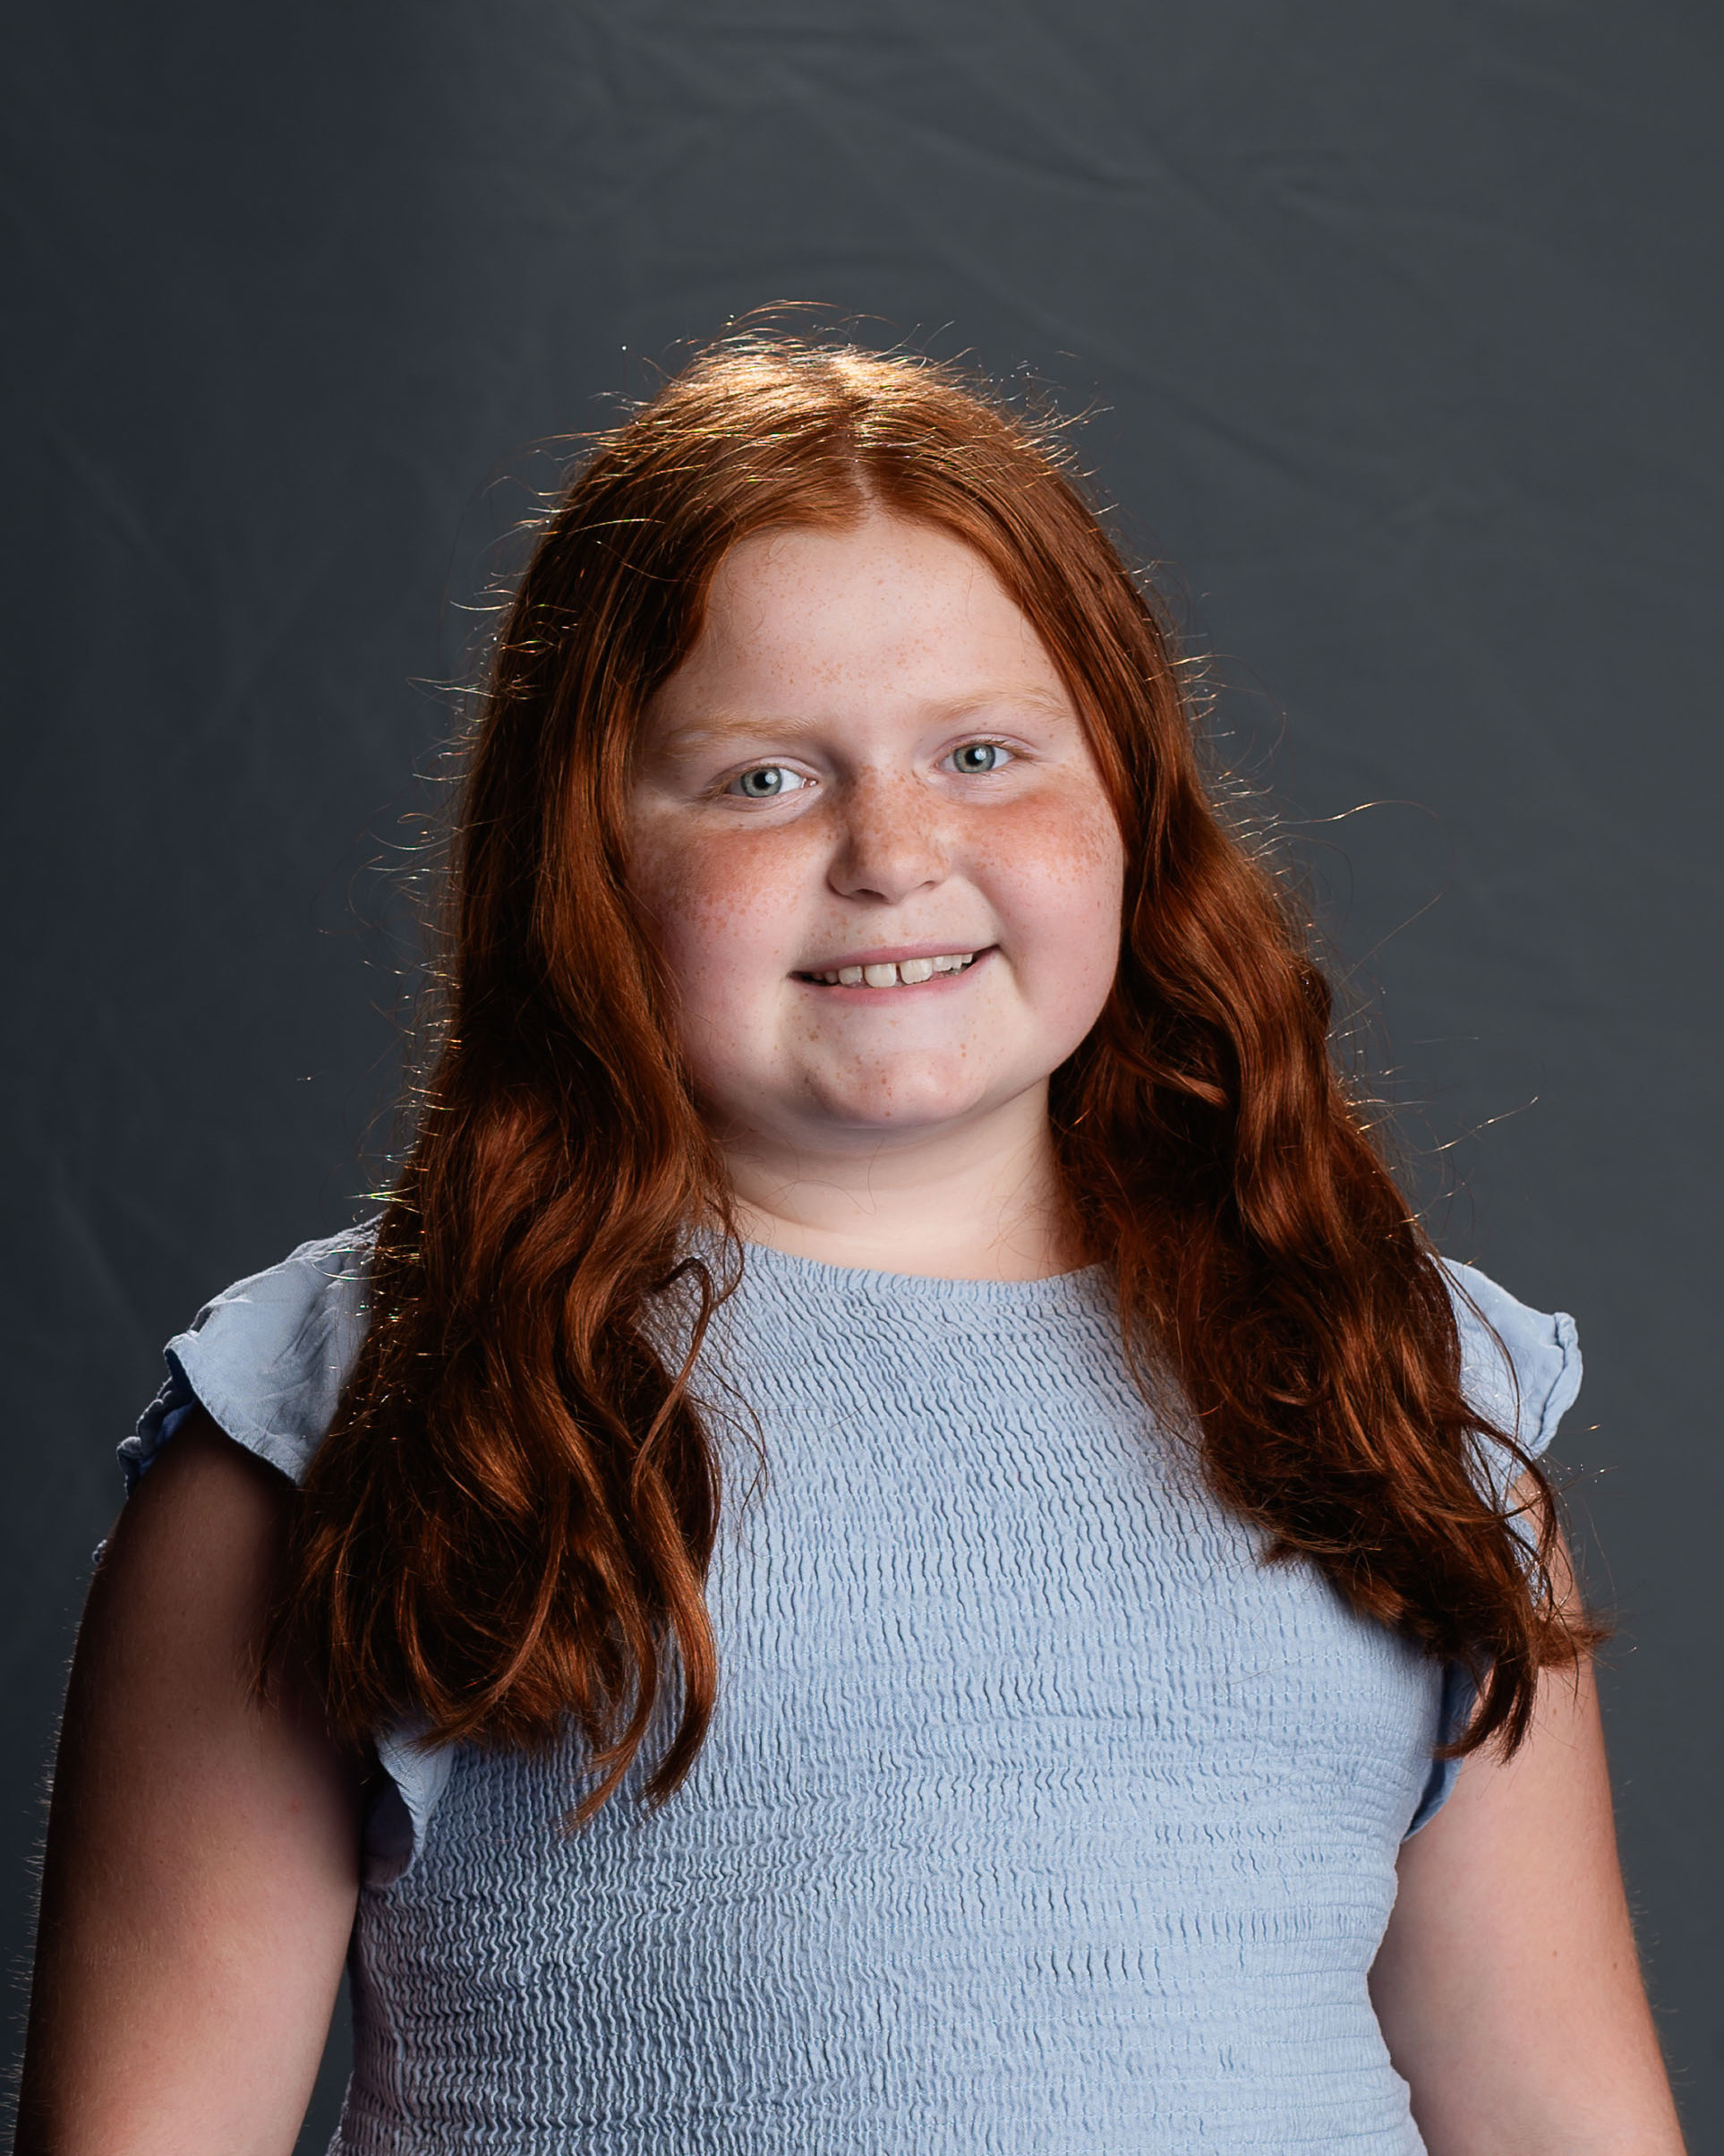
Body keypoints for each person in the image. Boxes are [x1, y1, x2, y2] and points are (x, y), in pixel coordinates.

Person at [16, 337, 1686, 2154]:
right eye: (760, 779)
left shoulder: (1394, 1380)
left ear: (1130, 804)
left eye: (983, 753)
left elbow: (1555, 2105)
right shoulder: (344, 1418)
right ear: (583, 852)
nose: (894, 850)